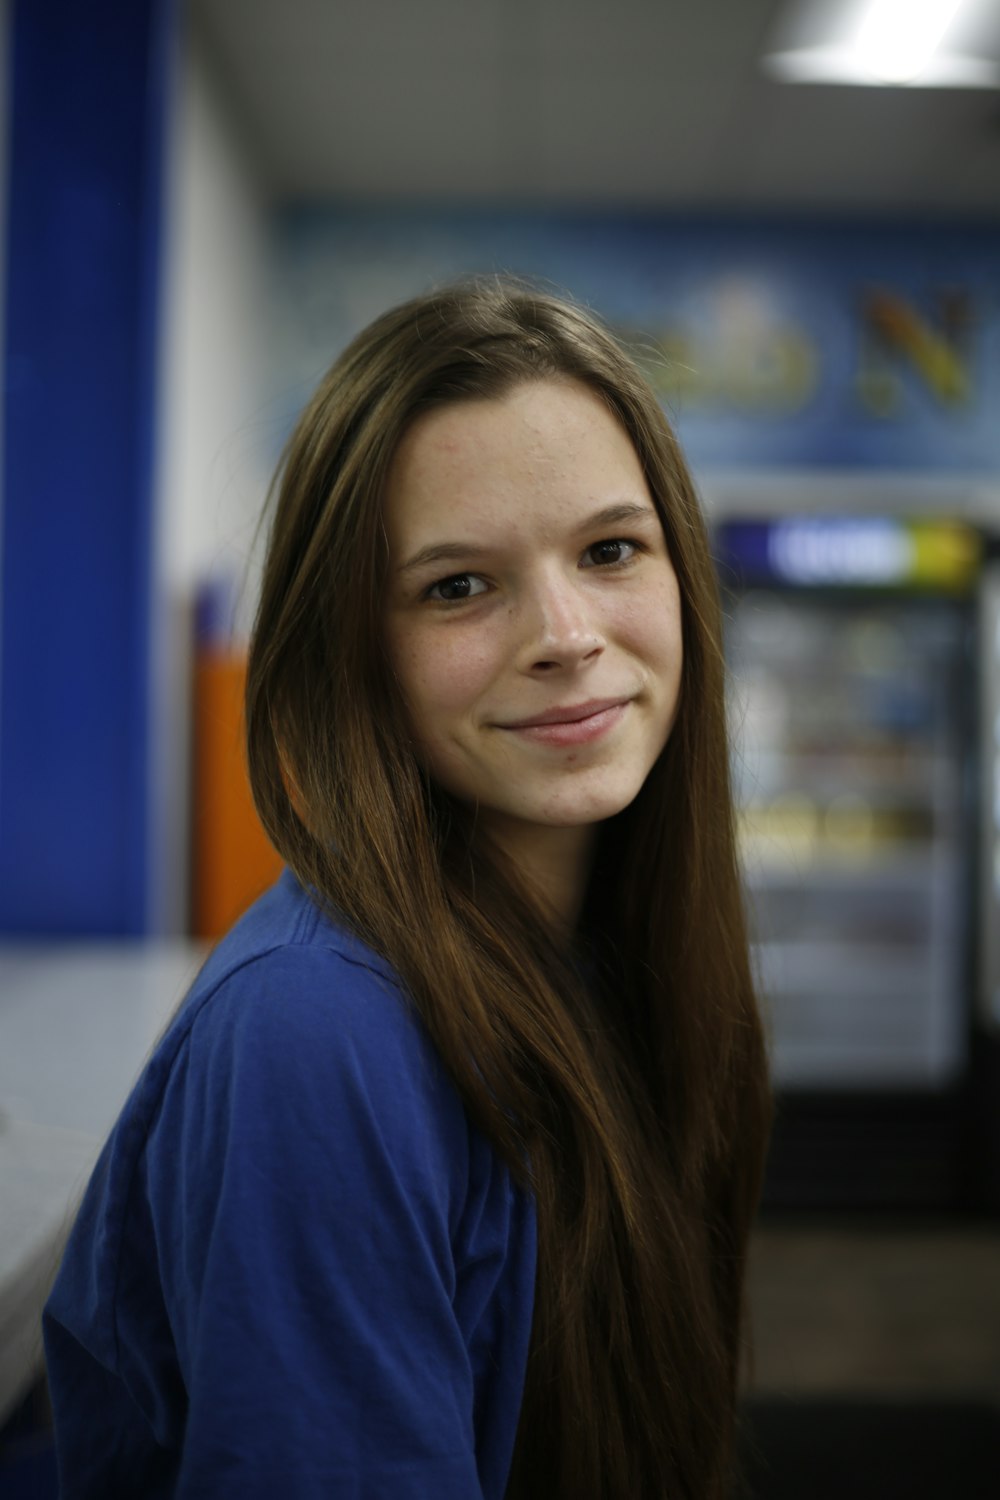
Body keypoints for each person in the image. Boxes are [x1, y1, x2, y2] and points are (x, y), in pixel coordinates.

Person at [43, 279, 771, 1498]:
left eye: (608, 550)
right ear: (354, 653)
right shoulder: (317, 1036)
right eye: (457, 586)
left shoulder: (618, 960)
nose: (564, 632)